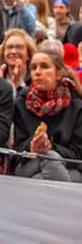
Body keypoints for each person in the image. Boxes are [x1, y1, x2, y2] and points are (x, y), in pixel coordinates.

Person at [12, 49, 82, 182]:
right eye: (33, 68)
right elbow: (16, 152)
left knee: (49, 162)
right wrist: (32, 146)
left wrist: (51, 148)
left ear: (59, 74)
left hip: (69, 166)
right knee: (49, 159)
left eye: (44, 66)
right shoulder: (22, 103)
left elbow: (78, 154)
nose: (37, 72)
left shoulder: (77, 106)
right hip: (29, 162)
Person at [0, 27, 35, 101]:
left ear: (28, 54)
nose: (13, 51)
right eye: (9, 47)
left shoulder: (35, 78)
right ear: (3, 53)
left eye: (19, 47)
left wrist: (20, 86)